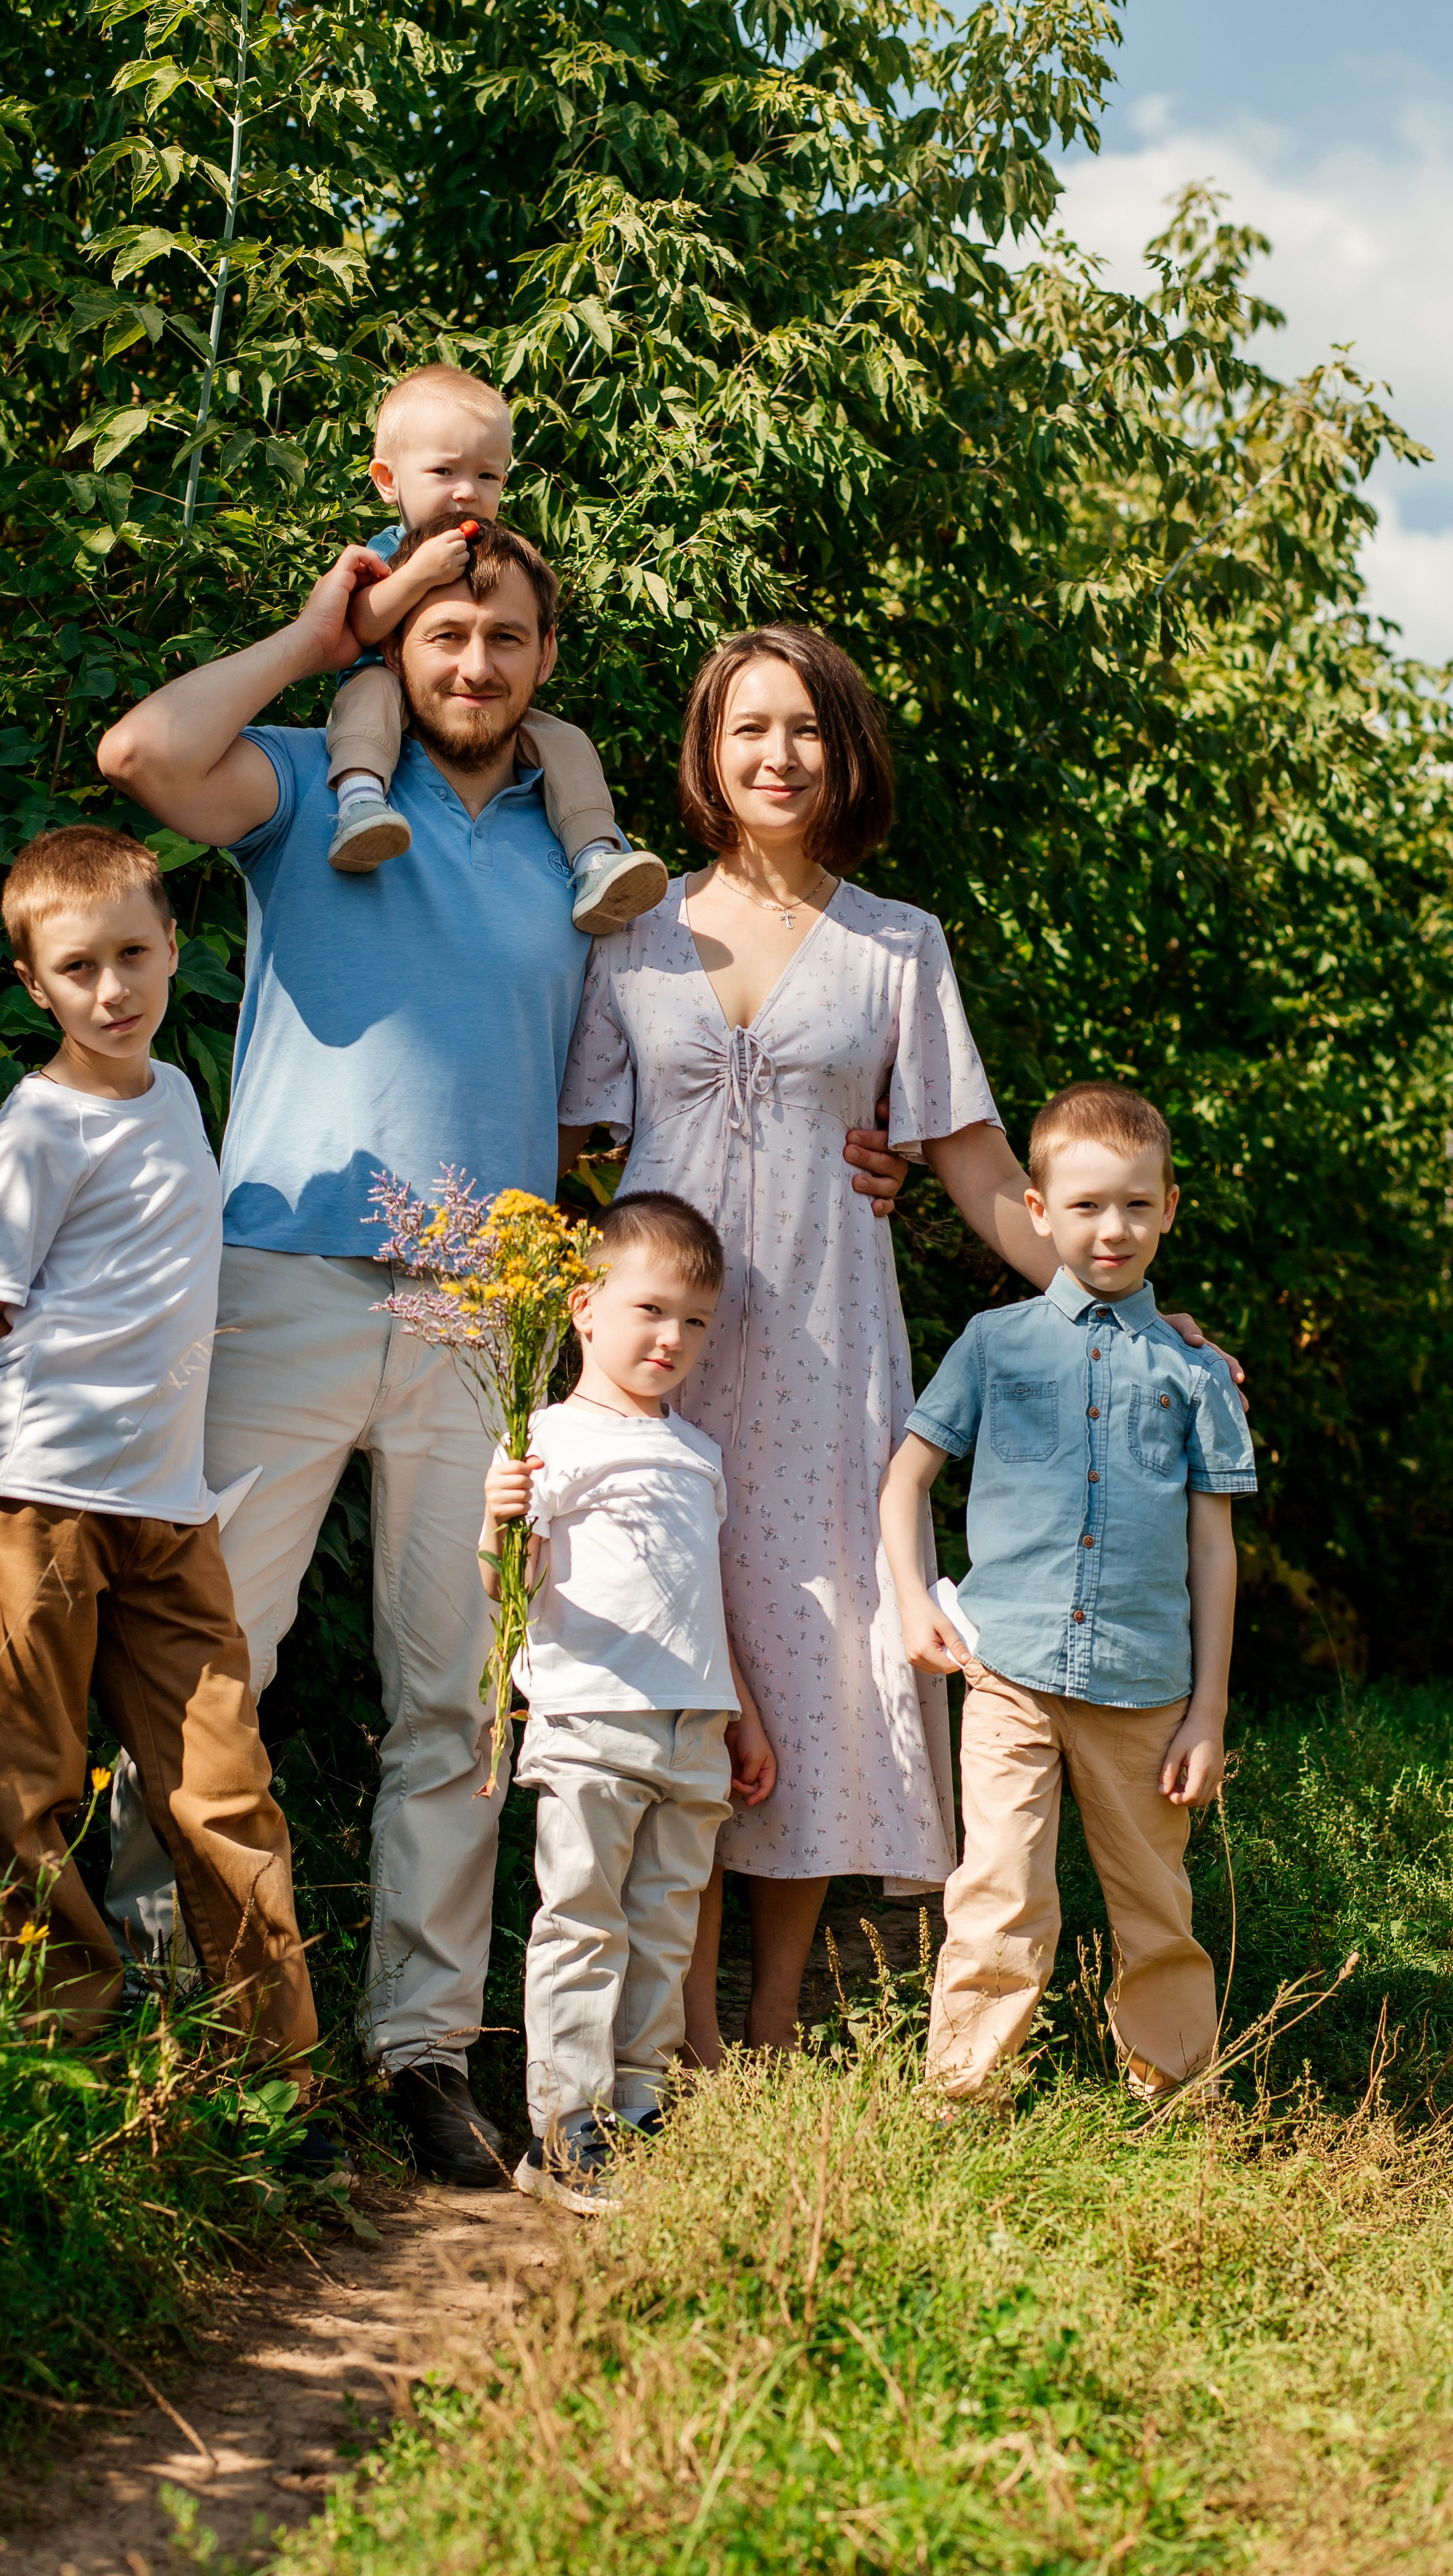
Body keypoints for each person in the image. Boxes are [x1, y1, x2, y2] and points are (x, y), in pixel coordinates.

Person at [97, 545, 912, 2181]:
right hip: (284, 1276)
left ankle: (419, 2048)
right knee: (210, 1666)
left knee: (460, 1704)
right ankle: (163, 2022)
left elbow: (664, 1070)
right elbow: (139, 755)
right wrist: (314, 637)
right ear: (397, 648)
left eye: (508, 638)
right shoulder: (311, 790)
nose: (474, 663)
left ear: (545, 658)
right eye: (445, 634)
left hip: (485, 1312)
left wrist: (854, 1152)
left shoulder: (576, 853)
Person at [557, 626, 1242, 2061]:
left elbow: (977, 1162)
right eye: (748, 727)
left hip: (826, 1339)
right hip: (662, 1348)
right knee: (677, 1636)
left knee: (815, 1641)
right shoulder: (628, 927)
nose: (778, 755)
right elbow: (571, 1146)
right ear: (707, 752)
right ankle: (679, 2024)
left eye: (806, 727)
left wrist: (1121, 1300)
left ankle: (767, 2016)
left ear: (846, 749)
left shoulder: (896, 944)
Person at [0, 827, 331, 2155]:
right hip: (34, 1499)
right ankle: (61, 2071)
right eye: (78, 969)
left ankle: (278, 2089)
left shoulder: (174, 1094)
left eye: (133, 957)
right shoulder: (34, 1134)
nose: (112, 991)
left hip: (167, 1508)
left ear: (172, 950)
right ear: (32, 982)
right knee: (30, 1789)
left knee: (223, 1784)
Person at [879, 1083, 1256, 2103]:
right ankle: (964, 2096)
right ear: (1039, 1211)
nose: (1112, 1229)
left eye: (1136, 1204)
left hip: (1144, 1687)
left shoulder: (1195, 1373)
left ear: (1169, 1207)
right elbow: (906, 1480)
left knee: (1154, 1904)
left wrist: (1208, 1713)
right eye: (1086, 1205)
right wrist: (913, 1600)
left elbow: (1213, 1549)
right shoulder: (994, 1344)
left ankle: (1173, 2091)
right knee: (997, 1891)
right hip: (1007, 1671)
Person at [480, 1192, 776, 2212]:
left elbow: (704, 1600)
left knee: (664, 1928)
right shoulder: (547, 1438)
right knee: (583, 1921)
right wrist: (496, 1525)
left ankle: (639, 2112)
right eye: (650, 1310)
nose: (672, 1338)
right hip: (591, 1720)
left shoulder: (699, 1453)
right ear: (583, 1308)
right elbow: (505, 1588)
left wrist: (740, 1715)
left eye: (695, 1320)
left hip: (692, 1727)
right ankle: (563, 2131)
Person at [323, 361, 665, 933]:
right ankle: (360, 803)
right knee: (372, 688)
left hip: (469, 712)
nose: (467, 491)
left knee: (564, 739)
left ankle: (593, 855)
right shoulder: (386, 551)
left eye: (488, 476)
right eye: (444, 471)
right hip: (384, 693)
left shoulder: (497, 553)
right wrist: (416, 575)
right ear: (387, 480)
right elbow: (359, 625)